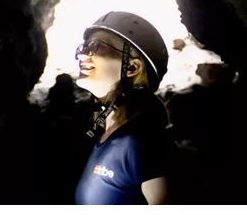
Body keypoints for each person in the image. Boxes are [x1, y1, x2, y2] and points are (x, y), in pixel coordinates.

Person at [73, 11, 174, 205]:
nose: (82, 54)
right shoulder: (107, 134)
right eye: (84, 46)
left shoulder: (143, 140)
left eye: (96, 46)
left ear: (132, 68)